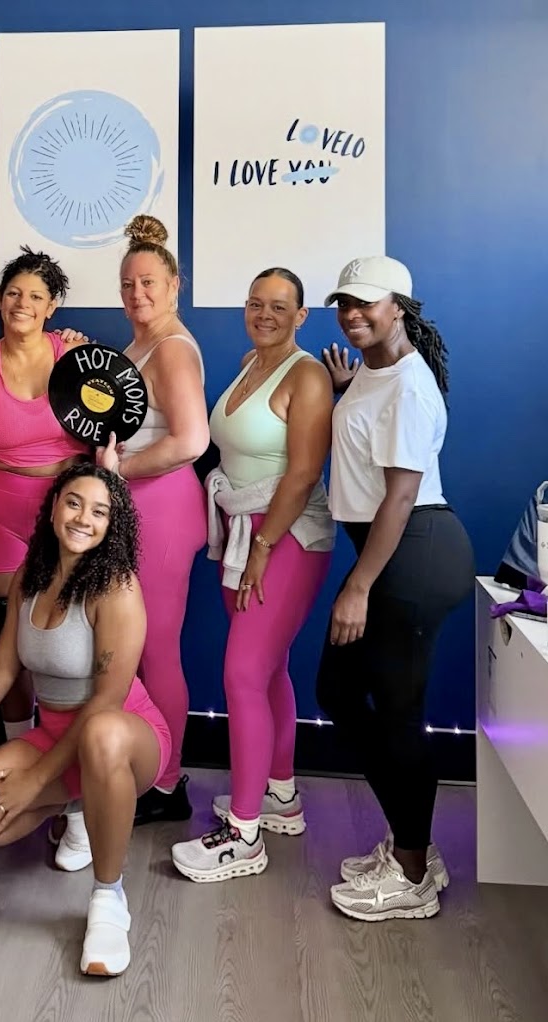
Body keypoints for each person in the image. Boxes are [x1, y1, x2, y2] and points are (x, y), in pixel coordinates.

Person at [0, 464, 170, 977]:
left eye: (99, 512)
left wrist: (34, 781)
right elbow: (3, 669)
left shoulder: (117, 588)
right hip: (55, 735)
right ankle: (79, 804)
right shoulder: (31, 575)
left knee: (100, 734)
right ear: (53, 509)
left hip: (123, 737)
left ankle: (109, 897)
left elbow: (105, 703)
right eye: (74, 503)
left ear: (112, 525)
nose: (83, 518)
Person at [314, 256, 474, 921]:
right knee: (339, 693)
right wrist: (348, 389)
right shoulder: (378, 374)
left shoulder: (407, 384)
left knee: (399, 713)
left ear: (399, 308)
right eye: (344, 304)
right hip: (397, 555)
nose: (352, 315)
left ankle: (411, 874)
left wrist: (358, 586)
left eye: (366, 303)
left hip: (411, 554)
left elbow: (401, 495)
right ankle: (415, 846)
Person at [171, 268, 335, 883]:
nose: (264, 314)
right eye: (255, 303)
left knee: (242, 673)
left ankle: (243, 835)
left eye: (279, 307)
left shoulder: (308, 376)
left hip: (286, 535)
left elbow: (304, 472)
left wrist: (264, 545)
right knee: (267, 670)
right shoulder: (249, 363)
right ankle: (279, 795)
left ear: (301, 316)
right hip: (243, 527)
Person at [0, 248, 88, 745]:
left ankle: (65, 750)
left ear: (52, 307)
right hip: (0, 515)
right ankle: (18, 749)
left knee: (69, 637)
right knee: (12, 643)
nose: (22, 304)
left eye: (35, 296)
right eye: (13, 293)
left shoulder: (75, 358)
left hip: (68, 514)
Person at [103, 216, 210, 826]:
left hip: (164, 509)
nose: (137, 293)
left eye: (148, 282)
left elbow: (191, 440)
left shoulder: (170, 348)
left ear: (174, 286)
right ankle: (144, 768)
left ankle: (168, 785)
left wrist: (121, 470)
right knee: (132, 647)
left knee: (157, 650)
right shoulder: (137, 348)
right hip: (137, 508)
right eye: (127, 284)